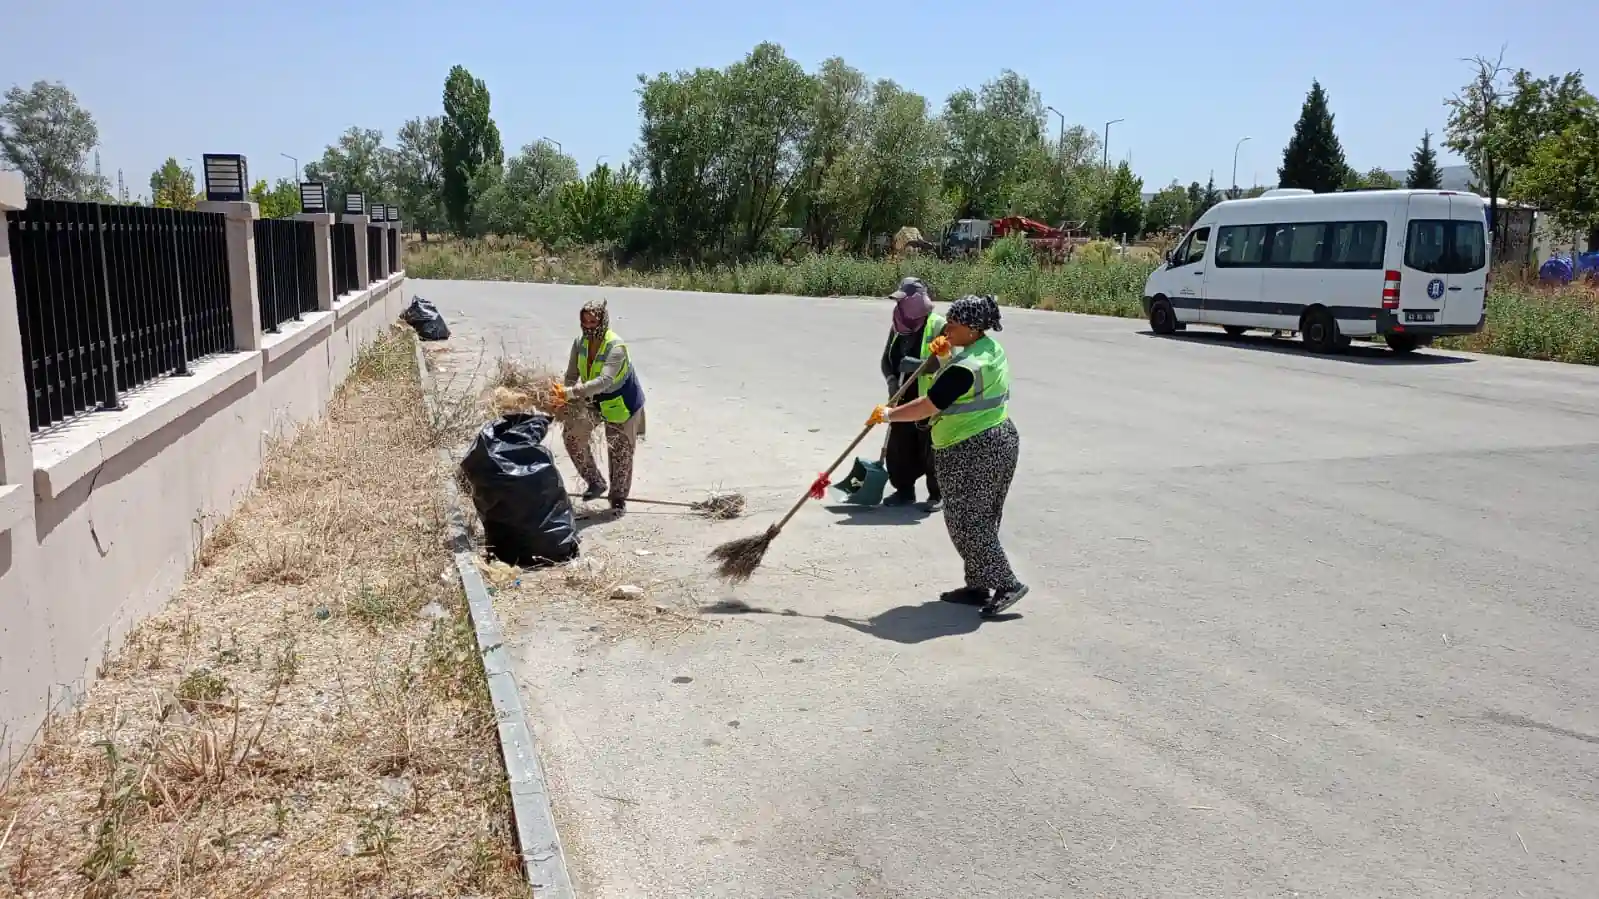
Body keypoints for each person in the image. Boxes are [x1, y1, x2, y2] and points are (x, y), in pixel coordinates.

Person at [872, 295, 1026, 619]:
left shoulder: (969, 365)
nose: (947, 329)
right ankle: (978, 585)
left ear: (972, 328)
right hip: (995, 442)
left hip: (974, 448)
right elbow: (966, 392)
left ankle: (1007, 583)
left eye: (953, 325)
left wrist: (889, 414)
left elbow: (930, 404)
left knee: (968, 521)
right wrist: (944, 359)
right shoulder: (985, 350)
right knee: (980, 519)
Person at [552, 299, 646, 513]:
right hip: (593, 401)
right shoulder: (580, 344)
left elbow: (605, 381)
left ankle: (618, 498)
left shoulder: (616, 347)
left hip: (621, 402)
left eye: (593, 321)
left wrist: (573, 392)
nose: (588, 326)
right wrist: (562, 395)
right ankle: (595, 481)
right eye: (585, 321)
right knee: (572, 435)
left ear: (603, 321)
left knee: (620, 451)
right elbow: (571, 375)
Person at [878, 277, 945, 512]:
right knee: (899, 444)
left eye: (903, 301)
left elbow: (944, 362)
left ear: (916, 302)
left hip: (928, 397)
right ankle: (904, 490)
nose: (898, 306)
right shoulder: (898, 324)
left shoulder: (938, 326)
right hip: (903, 395)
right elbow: (886, 359)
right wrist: (891, 381)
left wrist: (916, 365)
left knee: (931, 447)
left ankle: (937, 494)